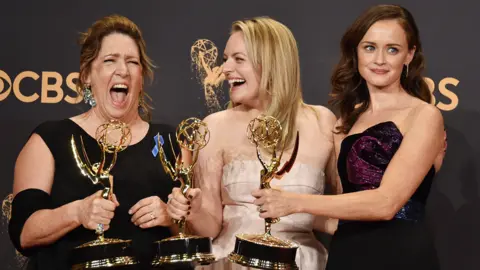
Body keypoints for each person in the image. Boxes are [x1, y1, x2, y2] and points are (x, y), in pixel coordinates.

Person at [250, 5, 446, 270]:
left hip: (401, 255)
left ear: (409, 55)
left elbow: (386, 203)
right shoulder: (345, 123)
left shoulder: (424, 115)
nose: (379, 59)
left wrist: (293, 202)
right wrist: (255, 208)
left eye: (392, 49)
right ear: (355, 51)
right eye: (369, 47)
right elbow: (339, 215)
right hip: (347, 254)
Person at [166, 17, 338, 269]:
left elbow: (342, 214)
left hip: (301, 262)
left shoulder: (322, 121)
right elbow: (210, 226)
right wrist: (194, 209)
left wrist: (297, 212)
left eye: (238, 59)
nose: (225, 69)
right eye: (225, 58)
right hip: (231, 261)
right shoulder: (214, 126)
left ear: (271, 63)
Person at [8, 14, 178, 269]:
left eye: (132, 62)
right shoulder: (49, 139)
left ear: (142, 77)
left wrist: (171, 218)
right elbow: (24, 232)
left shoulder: (169, 140)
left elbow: (197, 231)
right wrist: (78, 212)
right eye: (110, 60)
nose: (123, 70)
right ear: (87, 75)